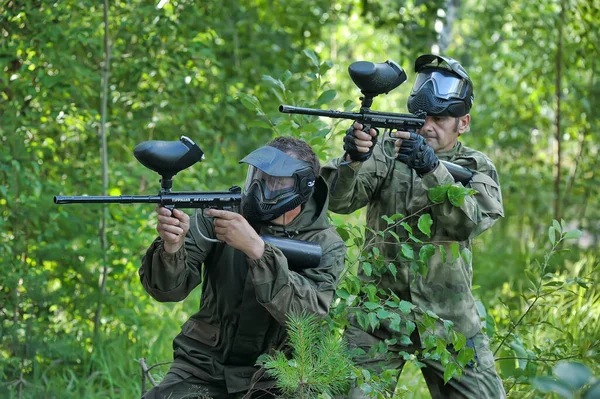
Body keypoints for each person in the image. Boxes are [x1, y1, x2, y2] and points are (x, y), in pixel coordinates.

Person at [321, 54, 506, 398]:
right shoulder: (390, 152)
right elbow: (339, 202)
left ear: (462, 123)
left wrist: (431, 170)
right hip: (377, 316)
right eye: (422, 118)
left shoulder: (476, 166)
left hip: (448, 319)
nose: (427, 127)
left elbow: (471, 222)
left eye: (439, 118)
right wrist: (353, 159)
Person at [139, 136, 347, 399]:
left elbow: (305, 316)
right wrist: (171, 247)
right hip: (203, 364)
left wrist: (257, 251)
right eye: (258, 177)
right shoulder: (221, 214)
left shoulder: (326, 244)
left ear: (301, 188)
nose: (261, 189)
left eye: (275, 182)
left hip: (276, 376)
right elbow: (166, 291)